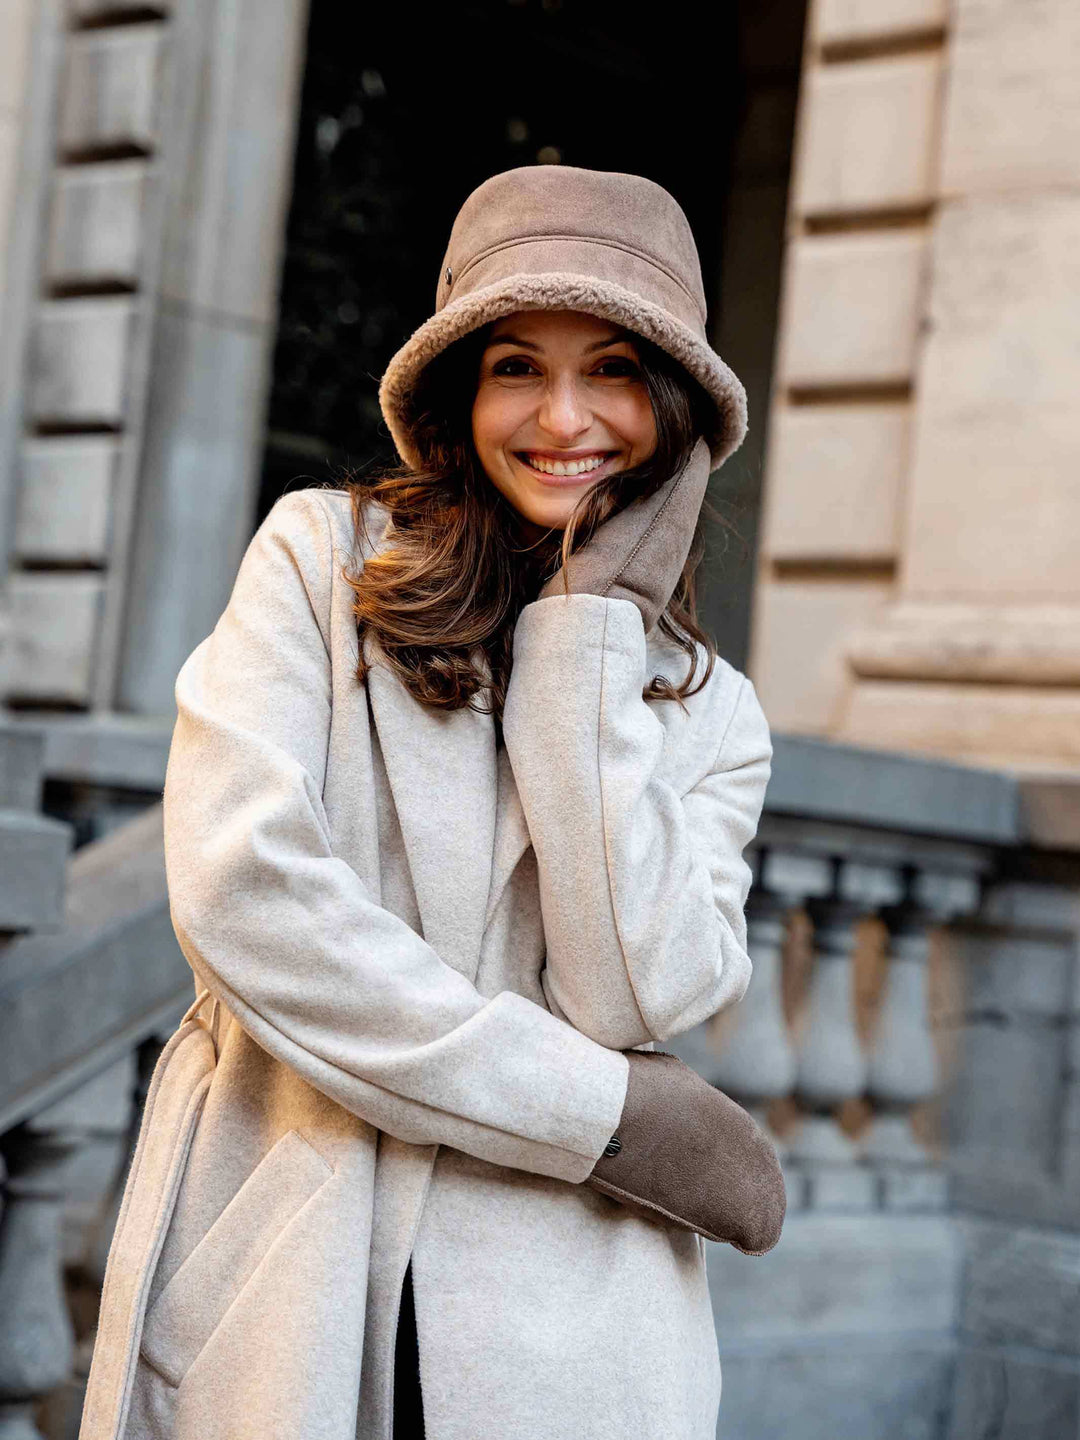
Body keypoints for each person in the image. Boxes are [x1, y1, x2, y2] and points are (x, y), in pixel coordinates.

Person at [79, 165, 783, 1440]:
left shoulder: (713, 713)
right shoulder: (322, 559)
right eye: (517, 364)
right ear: (461, 390)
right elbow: (247, 897)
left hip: (576, 1342)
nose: (563, 416)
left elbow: (635, 991)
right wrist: (602, 1117)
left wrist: (582, 645)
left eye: (615, 368)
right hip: (291, 1278)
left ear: (677, 404)